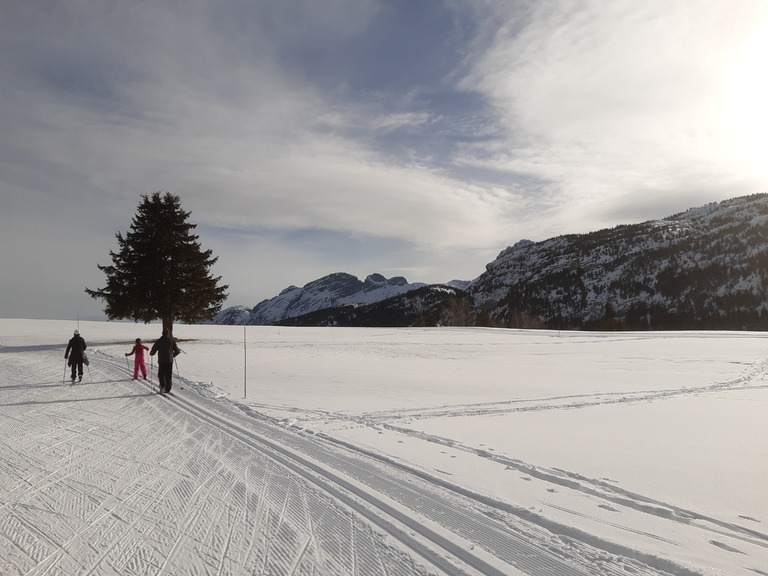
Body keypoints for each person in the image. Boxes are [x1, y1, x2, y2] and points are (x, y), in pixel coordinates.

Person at [150, 329, 180, 393]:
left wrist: (151, 353)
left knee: (161, 374)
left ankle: (163, 386)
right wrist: (173, 355)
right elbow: (177, 351)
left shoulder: (159, 341)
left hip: (162, 360)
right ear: (168, 333)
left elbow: (153, 350)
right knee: (168, 374)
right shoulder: (172, 341)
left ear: (162, 333)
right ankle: (168, 388)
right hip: (169, 360)